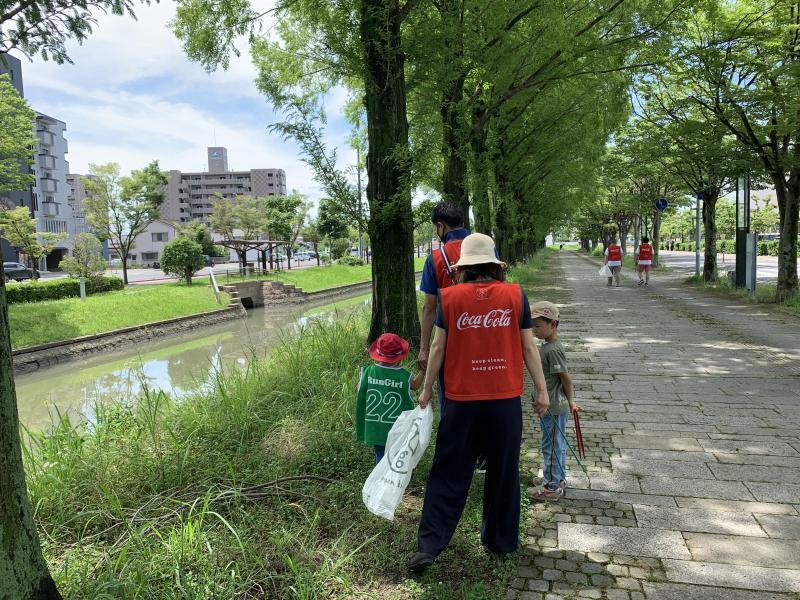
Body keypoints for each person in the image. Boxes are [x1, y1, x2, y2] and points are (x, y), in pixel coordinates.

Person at [405, 233, 550, 574]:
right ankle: (501, 541)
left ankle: (430, 545)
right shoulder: (516, 295)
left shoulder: (449, 298)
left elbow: (438, 347)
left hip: (461, 400)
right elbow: (529, 346)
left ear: (464, 268)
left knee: (448, 470)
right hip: (504, 401)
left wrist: (427, 389)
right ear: (495, 266)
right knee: (503, 470)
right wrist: (541, 390)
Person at [529, 301, 581, 501]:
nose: (534, 330)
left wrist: (571, 401)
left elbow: (565, 378)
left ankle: (551, 487)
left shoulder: (553, 350)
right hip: (550, 407)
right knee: (555, 444)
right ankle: (556, 478)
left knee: (551, 446)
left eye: (537, 326)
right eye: (532, 325)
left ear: (553, 324)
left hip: (554, 407)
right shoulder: (548, 346)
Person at [355, 333, 424, 464]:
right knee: (395, 453)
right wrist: (424, 371)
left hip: (375, 426)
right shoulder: (404, 375)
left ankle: (381, 473)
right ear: (399, 355)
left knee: (380, 453)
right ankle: (390, 474)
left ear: (378, 353)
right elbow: (415, 385)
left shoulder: (367, 372)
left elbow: (358, 388)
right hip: (397, 426)